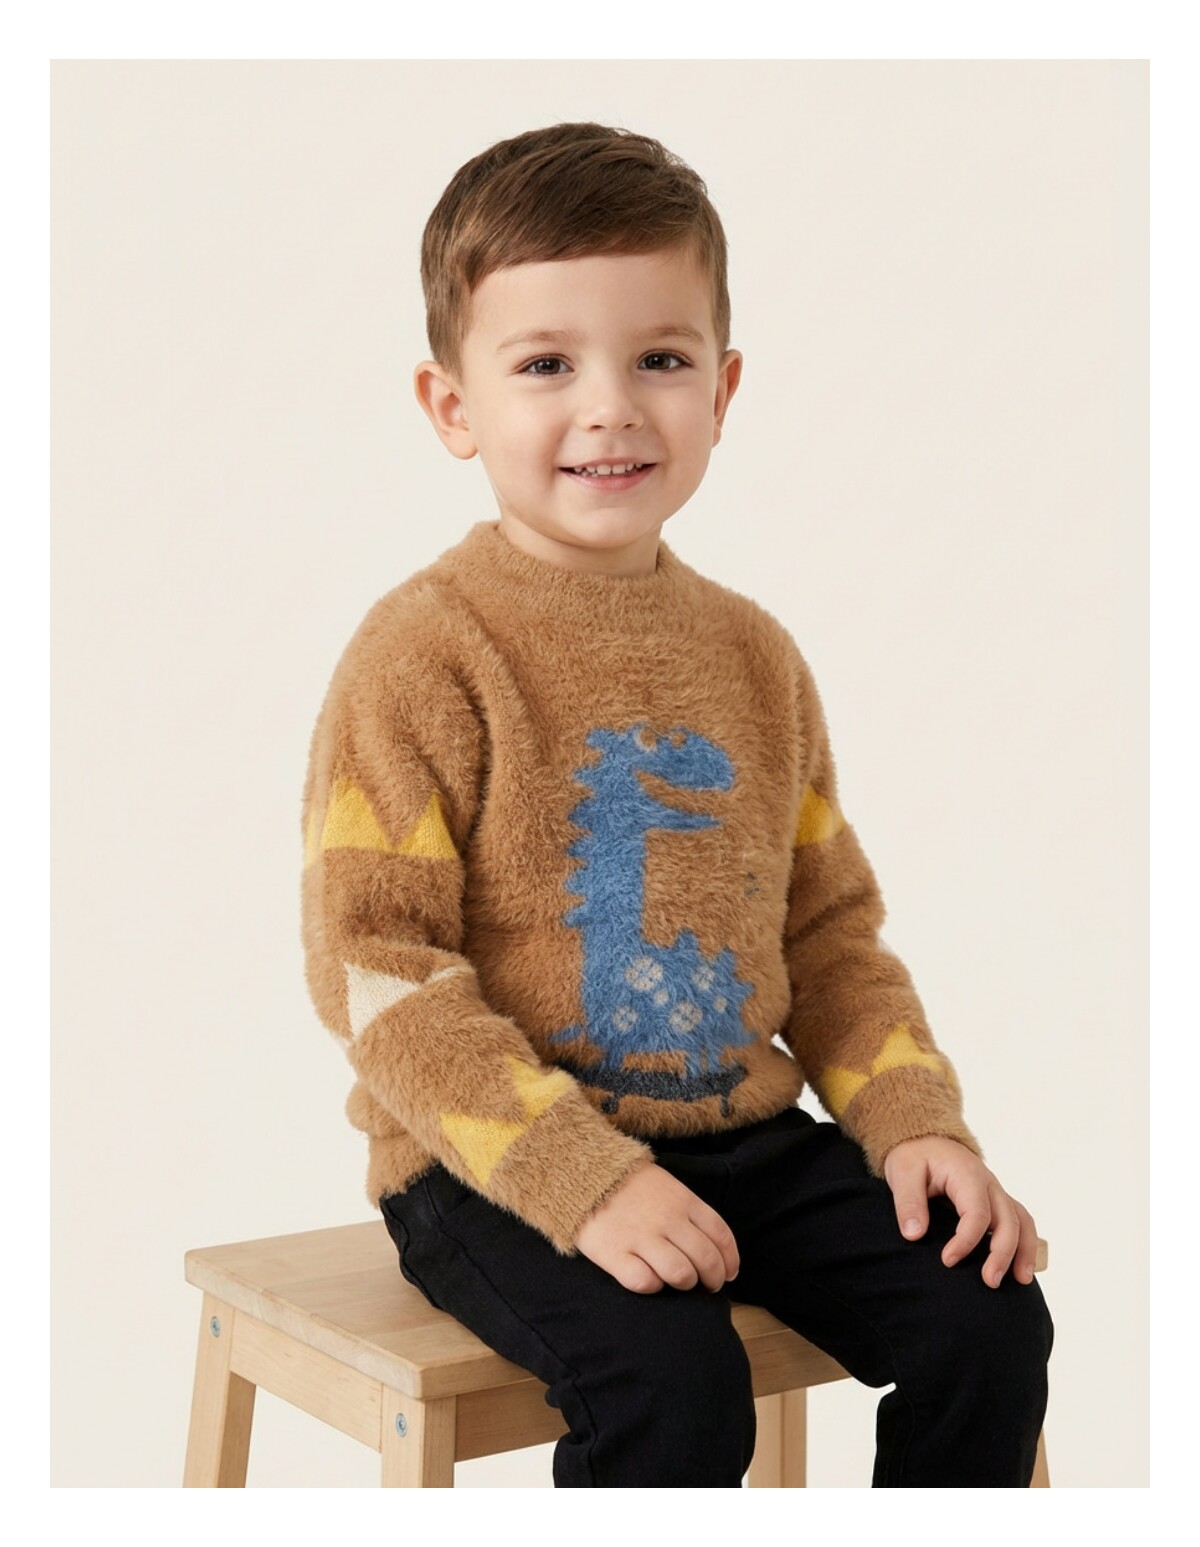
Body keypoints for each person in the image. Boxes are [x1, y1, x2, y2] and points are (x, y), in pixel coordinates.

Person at [299, 121, 1052, 1488]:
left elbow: (828, 938)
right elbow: (375, 969)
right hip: (492, 1161)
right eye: (546, 365)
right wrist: (581, 1181)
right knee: (674, 1383)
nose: (611, 407)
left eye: (660, 358)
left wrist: (916, 1122)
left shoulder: (755, 656)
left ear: (723, 386)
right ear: (452, 407)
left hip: (741, 1135)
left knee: (986, 1319)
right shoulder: (423, 654)